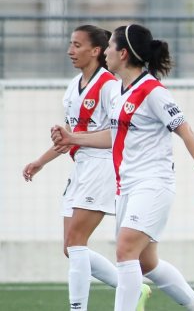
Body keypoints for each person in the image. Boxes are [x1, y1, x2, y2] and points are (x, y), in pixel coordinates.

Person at [51, 24, 194, 311]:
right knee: (146, 262)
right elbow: (112, 136)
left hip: (153, 184)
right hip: (127, 186)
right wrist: (73, 138)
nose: (105, 52)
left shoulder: (152, 91)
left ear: (123, 53)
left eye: (109, 47)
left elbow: (185, 130)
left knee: (125, 250)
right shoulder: (119, 90)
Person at [22, 25, 150, 311]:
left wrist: (74, 139)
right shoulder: (73, 86)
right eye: (70, 44)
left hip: (101, 167)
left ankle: (78, 308)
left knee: (77, 240)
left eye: (77, 45)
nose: (70, 50)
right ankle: (133, 286)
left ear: (95, 51)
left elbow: (118, 135)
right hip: (80, 167)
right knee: (70, 247)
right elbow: (72, 133)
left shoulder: (109, 86)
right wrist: (41, 161)